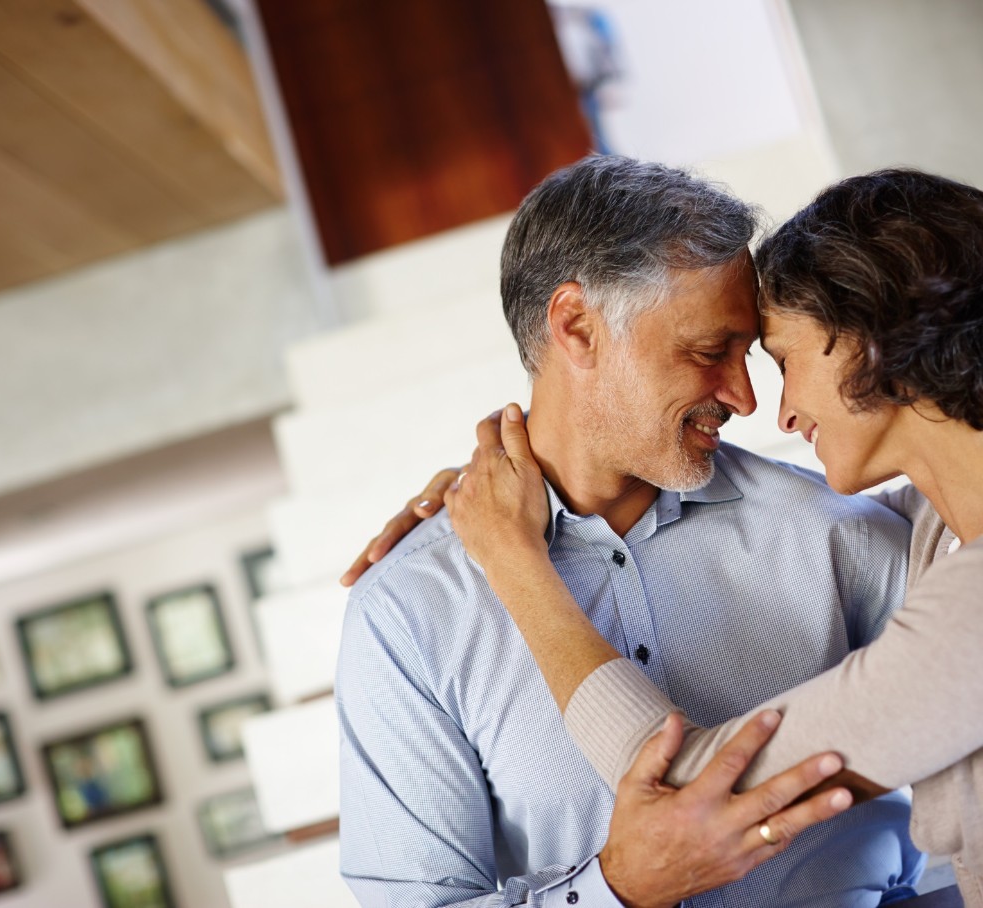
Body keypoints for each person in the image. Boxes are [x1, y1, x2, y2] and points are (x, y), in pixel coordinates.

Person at [336, 156, 924, 908]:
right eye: (711, 352)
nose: (745, 399)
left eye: (749, 355)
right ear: (575, 325)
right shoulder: (412, 612)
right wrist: (613, 892)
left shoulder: (834, 529)